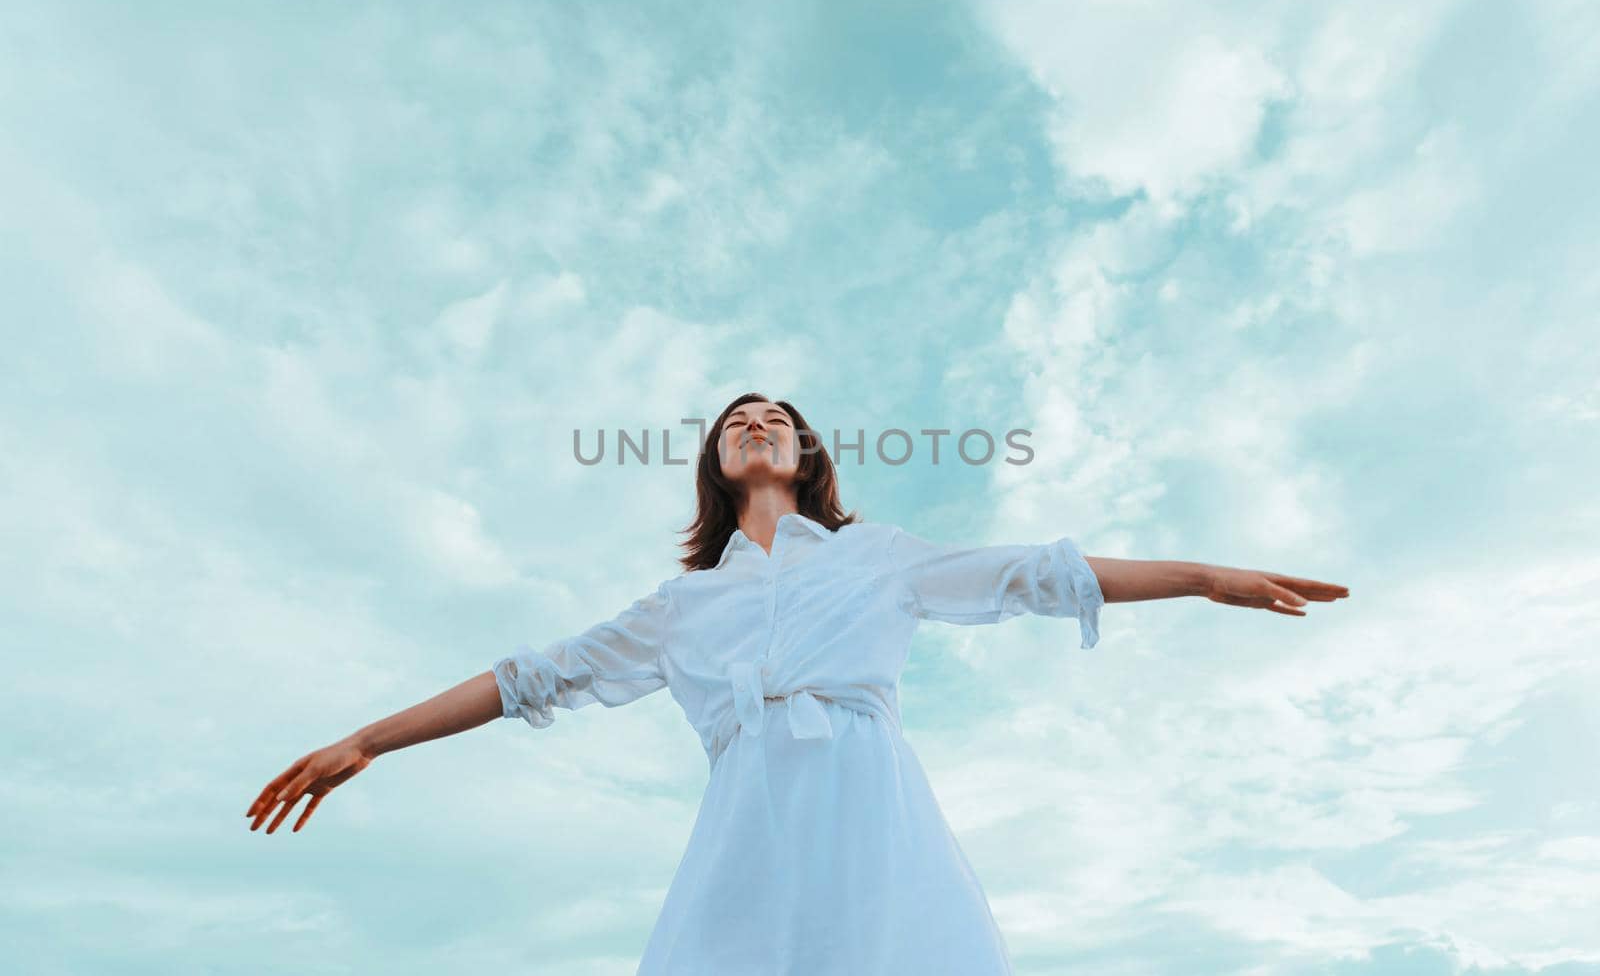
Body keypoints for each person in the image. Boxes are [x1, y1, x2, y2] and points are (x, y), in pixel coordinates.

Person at [245, 391, 1349, 974]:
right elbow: (529, 678)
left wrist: (1206, 575)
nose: (753, 420)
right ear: (715, 469)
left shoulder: (883, 559)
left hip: (873, 821)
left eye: (774, 415)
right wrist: (370, 740)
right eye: (734, 420)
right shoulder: (678, 611)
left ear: (808, 455)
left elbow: (1038, 575)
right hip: (748, 832)